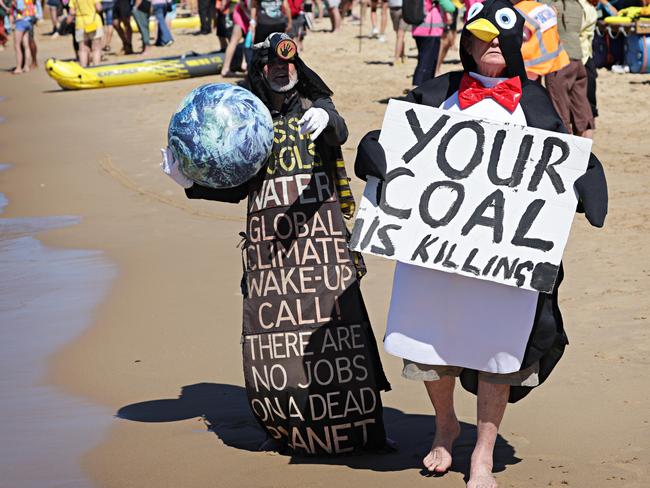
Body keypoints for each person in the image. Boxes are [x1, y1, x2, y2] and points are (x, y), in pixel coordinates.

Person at [355, 0, 607, 485]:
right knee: (433, 344)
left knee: (500, 349)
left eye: (500, 37)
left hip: (504, 266)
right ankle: (445, 426)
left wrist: (587, 182)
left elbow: (563, 162)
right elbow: (396, 140)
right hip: (436, 260)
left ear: (516, 43)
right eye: (481, 36)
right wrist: (373, 149)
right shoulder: (435, 93)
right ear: (465, 43)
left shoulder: (537, 104)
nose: (491, 43)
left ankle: (484, 454)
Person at [162, 32, 392, 455]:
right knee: (273, 338)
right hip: (271, 254)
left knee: (344, 334)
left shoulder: (315, 106)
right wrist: (190, 184)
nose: (281, 71)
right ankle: (285, 428)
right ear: (260, 71)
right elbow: (237, 187)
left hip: (323, 248)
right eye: (272, 66)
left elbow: (338, 131)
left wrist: (328, 122)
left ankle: (361, 429)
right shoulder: (246, 120)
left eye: (288, 65)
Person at [542, 0, 594, 137]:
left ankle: (567, 148)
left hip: (559, 60)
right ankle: (586, 149)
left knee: (560, 110)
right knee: (583, 112)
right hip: (578, 59)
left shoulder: (548, 4)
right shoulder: (578, 5)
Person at [509, 0, 569, 80]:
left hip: (535, 69)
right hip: (558, 61)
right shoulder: (543, 7)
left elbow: (522, 37)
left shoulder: (519, 10)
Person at [411, 0, 455, 86]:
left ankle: (419, 85)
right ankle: (419, 87)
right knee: (427, 62)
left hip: (417, 28)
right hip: (430, 31)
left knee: (422, 59)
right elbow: (450, 7)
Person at [68, 0, 103, 66]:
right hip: (94, 22)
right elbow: (99, 8)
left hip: (80, 23)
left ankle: (84, 69)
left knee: (82, 49)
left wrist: (79, 12)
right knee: (96, 48)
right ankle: (96, 68)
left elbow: (71, 12)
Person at [9, 0, 37, 73]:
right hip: (28, 21)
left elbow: (20, 9)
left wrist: (13, 5)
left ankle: (19, 67)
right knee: (26, 45)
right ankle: (26, 66)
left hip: (21, 21)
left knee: (17, 45)